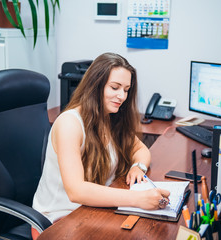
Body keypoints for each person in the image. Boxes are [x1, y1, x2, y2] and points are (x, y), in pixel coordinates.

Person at [32, 52, 170, 237]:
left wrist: (138, 166)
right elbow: (76, 191)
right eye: (115, 87)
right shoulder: (70, 123)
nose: (122, 96)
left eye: (126, 89)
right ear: (95, 85)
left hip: (92, 211)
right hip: (58, 222)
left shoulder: (110, 118)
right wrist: (138, 199)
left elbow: (140, 149)